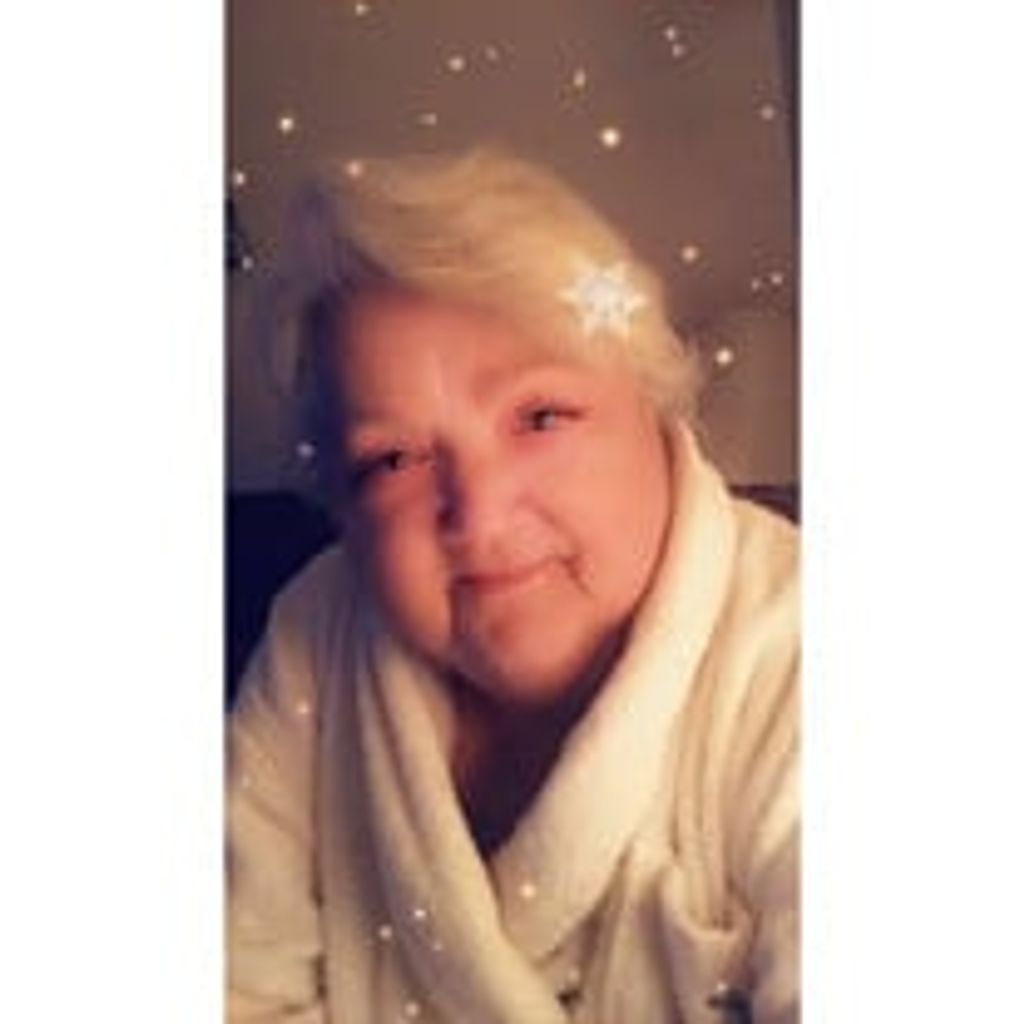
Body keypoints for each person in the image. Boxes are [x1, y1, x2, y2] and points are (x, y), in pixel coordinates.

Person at [227, 147, 799, 1023]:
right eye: (393, 459)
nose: (479, 513)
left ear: (654, 404)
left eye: (540, 416)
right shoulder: (319, 627)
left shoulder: (803, 645)